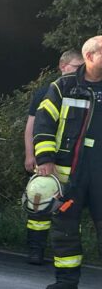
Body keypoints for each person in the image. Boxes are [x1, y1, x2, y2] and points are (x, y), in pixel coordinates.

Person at [32, 36, 102, 289]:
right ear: (90, 56)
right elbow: (43, 124)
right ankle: (66, 280)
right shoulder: (64, 86)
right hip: (69, 172)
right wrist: (45, 159)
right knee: (64, 227)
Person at [24, 50, 84, 264]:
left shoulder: (86, 91)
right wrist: (32, 155)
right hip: (49, 159)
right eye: (77, 67)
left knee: (68, 210)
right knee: (39, 203)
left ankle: (64, 254)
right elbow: (34, 125)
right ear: (63, 66)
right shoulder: (49, 91)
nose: (81, 71)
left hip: (75, 165)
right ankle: (35, 249)